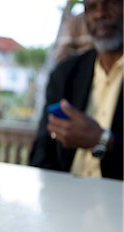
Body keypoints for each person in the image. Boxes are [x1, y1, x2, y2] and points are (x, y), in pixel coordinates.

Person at [29, 0, 123, 180]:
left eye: (111, 3)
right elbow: (42, 148)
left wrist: (104, 140)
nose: (100, 14)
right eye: (91, 7)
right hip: (65, 198)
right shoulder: (65, 74)